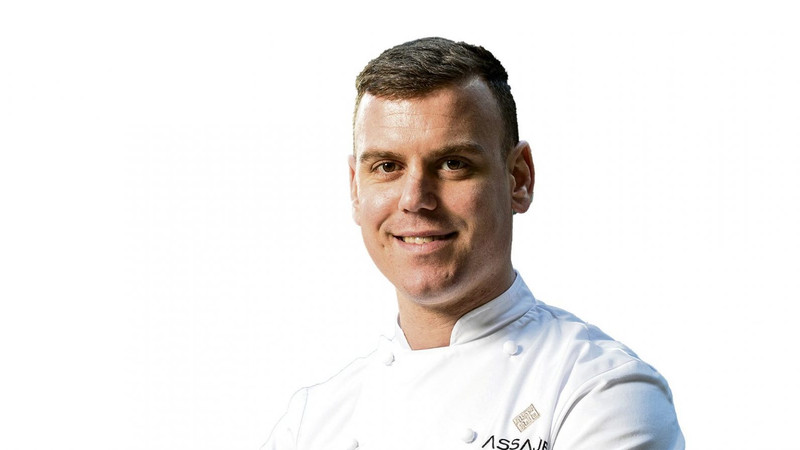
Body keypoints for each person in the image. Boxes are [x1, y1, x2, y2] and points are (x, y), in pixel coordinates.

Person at [263, 37, 684, 449]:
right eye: (387, 166)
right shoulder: (310, 422)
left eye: (453, 164)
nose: (415, 199)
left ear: (518, 179)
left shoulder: (601, 392)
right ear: (356, 189)